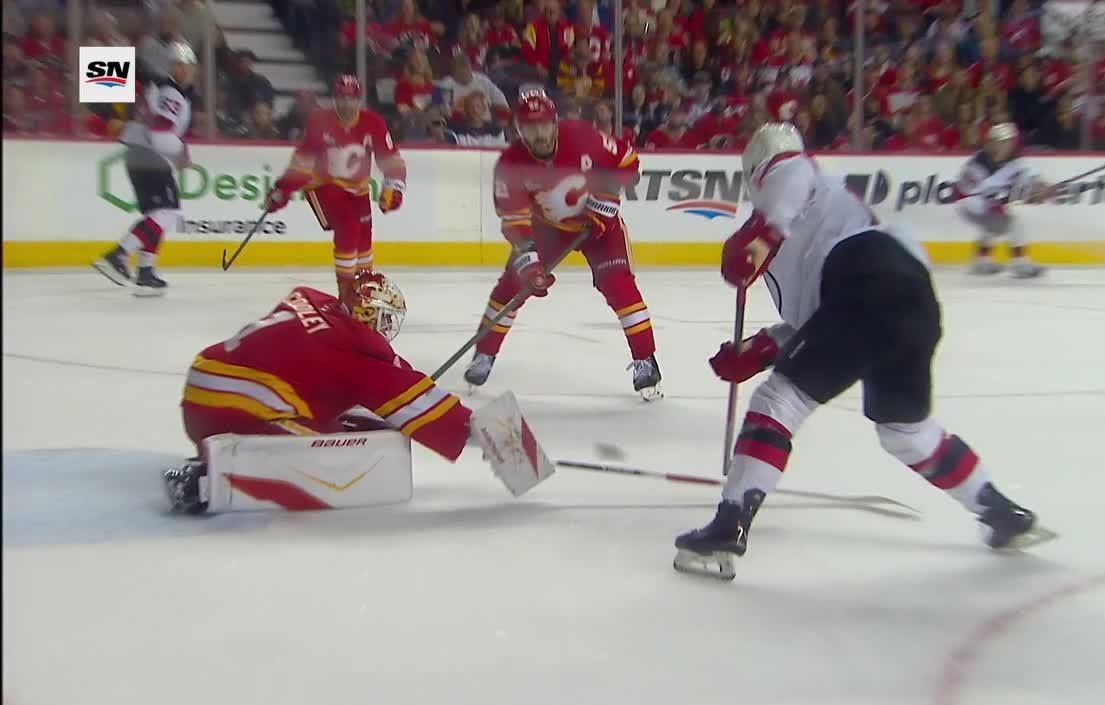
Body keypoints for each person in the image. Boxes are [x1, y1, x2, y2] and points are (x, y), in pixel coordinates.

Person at [673, 123, 1049, 581]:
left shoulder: (792, 177)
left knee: (780, 401)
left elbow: (788, 182)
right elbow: (821, 322)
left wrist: (760, 235)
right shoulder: (821, 218)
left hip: (864, 278)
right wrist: (758, 349)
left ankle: (729, 524)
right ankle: (999, 511)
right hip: (912, 296)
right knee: (905, 431)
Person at [165, 270, 472, 515]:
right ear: (368, 316)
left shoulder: (309, 297)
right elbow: (430, 412)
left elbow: (374, 369)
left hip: (203, 379)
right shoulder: (356, 359)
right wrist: (475, 430)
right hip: (228, 410)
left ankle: (223, 454)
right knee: (334, 447)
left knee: (326, 411)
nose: (388, 327)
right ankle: (204, 480)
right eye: (385, 318)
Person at [462, 89, 663, 400]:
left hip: (600, 229)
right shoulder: (510, 164)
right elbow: (515, 222)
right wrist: (529, 266)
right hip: (549, 230)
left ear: (555, 123)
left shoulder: (584, 137)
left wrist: (607, 199)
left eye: (543, 125)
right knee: (511, 287)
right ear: (517, 129)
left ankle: (645, 360)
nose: (538, 133)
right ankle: (484, 354)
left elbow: (628, 161)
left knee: (619, 286)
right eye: (529, 127)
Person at [263, 75, 407, 306]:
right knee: (348, 225)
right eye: (341, 98)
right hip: (321, 185)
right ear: (334, 99)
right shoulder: (319, 122)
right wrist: (283, 189)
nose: (346, 104)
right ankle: (347, 294)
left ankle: (363, 289)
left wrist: (394, 187)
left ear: (359, 100)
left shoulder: (374, 123)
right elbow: (302, 163)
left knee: (364, 239)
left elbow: (391, 160)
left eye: (351, 99)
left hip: (357, 191)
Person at [92, 41, 197, 296]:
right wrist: (182, 151)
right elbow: (160, 134)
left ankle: (146, 271)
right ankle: (118, 255)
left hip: (137, 155)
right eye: (179, 65)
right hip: (152, 156)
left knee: (157, 213)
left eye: (187, 66)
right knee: (166, 213)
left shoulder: (158, 89)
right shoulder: (172, 93)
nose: (184, 71)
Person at [955, 122, 1046, 278]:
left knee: (993, 223)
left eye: (1009, 141)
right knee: (1013, 222)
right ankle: (1020, 262)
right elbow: (974, 194)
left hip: (985, 203)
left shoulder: (1013, 161)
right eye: (1003, 141)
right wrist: (1028, 194)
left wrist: (1038, 189)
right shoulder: (979, 166)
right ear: (991, 143)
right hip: (971, 204)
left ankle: (981, 260)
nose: (1007, 145)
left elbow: (1021, 183)